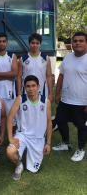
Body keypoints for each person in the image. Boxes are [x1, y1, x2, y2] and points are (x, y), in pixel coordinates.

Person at [6, 75, 52, 180]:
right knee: (10, 152)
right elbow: (9, 118)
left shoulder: (46, 102)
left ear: (38, 86)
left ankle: (27, 154)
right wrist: (10, 138)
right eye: (28, 86)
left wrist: (48, 143)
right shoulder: (20, 99)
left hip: (38, 138)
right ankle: (19, 165)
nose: (31, 89)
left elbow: (49, 123)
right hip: (22, 135)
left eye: (33, 86)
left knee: (33, 170)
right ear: (24, 87)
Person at [52, 32, 87, 162]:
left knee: (81, 126)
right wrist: (57, 93)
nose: (77, 43)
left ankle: (80, 149)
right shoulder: (68, 57)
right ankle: (66, 143)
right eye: (75, 41)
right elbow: (61, 75)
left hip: (82, 102)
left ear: (86, 43)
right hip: (65, 100)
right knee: (60, 121)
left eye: (81, 41)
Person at [18, 33, 52, 102]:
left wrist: (50, 93)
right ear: (29, 44)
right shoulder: (23, 59)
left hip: (42, 91)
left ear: (40, 44)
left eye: (37, 43)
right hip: (26, 91)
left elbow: (49, 76)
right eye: (32, 43)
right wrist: (19, 91)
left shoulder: (46, 58)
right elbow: (18, 77)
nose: (35, 45)